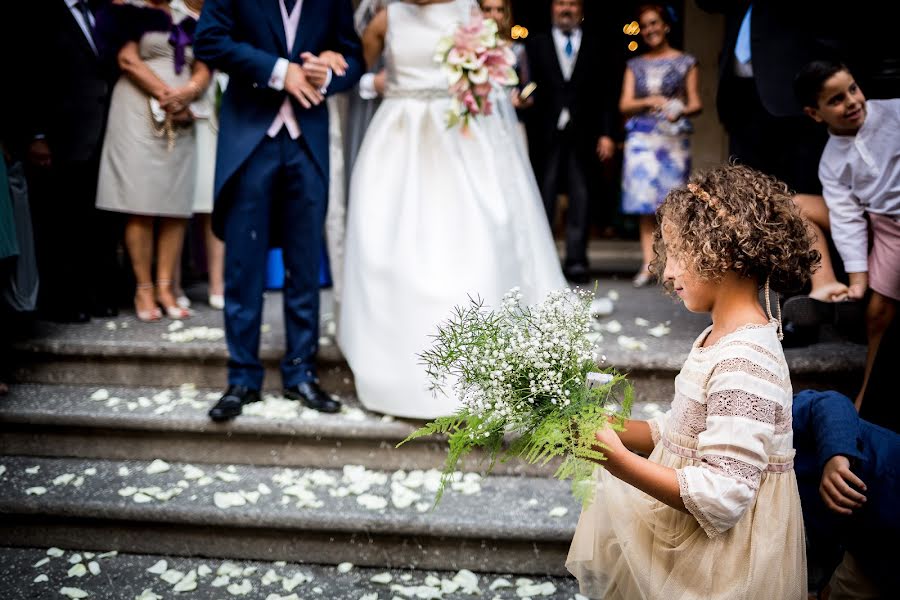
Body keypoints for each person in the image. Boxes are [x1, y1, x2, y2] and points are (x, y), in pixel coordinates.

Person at [567, 165, 815, 599]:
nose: (666, 272)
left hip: (723, 567)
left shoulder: (746, 360)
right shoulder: (719, 336)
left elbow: (723, 494)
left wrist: (615, 459)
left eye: (678, 254)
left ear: (718, 251)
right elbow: (687, 434)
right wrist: (616, 429)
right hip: (694, 543)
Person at [338, 0, 568, 419]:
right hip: (397, 137)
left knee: (469, 241)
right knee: (389, 248)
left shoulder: (469, 12)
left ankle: (473, 369)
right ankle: (392, 368)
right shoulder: (386, 18)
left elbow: (493, 75)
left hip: (458, 134)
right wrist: (375, 83)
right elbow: (359, 73)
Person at [195, 0, 364, 421]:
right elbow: (209, 40)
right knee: (243, 263)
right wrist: (277, 70)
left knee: (305, 262)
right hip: (249, 139)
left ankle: (301, 373)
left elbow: (355, 59)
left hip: (307, 140)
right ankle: (242, 378)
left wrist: (329, 71)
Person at [95, 0, 211, 322]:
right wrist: (167, 94)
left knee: (176, 203)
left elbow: (204, 64)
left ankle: (166, 288)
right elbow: (127, 60)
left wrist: (189, 91)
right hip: (137, 111)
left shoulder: (187, 17)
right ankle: (143, 288)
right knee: (141, 202)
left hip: (183, 115)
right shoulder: (127, 11)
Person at [794, 60, 900, 410]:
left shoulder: (893, 113)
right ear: (815, 113)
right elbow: (846, 218)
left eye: (853, 89)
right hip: (886, 226)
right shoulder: (831, 162)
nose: (852, 101)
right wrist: (858, 279)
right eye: (836, 100)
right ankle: (865, 403)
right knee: (878, 311)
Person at [22, 0, 121, 324]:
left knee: (94, 222)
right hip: (60, 134)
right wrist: (35, 134)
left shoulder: (99, 12)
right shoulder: (41, 13)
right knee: (57, 223)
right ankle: (59, 301)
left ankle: (92, 296)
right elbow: (30, 72)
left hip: (103, 132)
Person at [524, 0, 619, 284]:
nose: (566, 9)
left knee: (581, 198)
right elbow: (525, 85)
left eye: (572, 3)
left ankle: (577, 262)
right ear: (552, 8)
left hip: (584, 135)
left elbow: (606, 94)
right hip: (545, 134)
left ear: (581, 9)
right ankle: (543, 261)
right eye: (560, 3)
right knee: (544, 198)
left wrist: (607, 133)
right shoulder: (535, 44)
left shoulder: (596, 44)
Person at [619, 4, 701, 287]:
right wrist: (649, 102)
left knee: (672, 205)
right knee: (645, 208)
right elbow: (624, 104)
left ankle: (674, 267)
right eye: (645, 26)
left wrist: (679, 110)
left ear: (666, 25)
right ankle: (648, 264)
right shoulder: (635, 64)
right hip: (642, 140)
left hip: (672, 141)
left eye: (654, 23)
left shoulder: (686, 62)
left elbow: (696, 103)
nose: (650, 29)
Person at [792, 389, 899, 599]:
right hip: (862, 543)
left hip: (886, 485)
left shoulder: (757, 409)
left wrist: (836, 456)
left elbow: (830, 400)